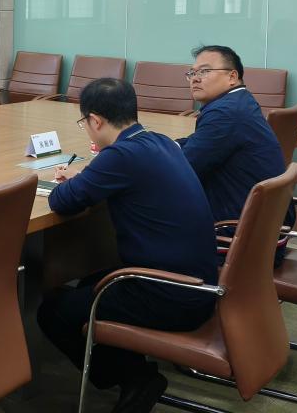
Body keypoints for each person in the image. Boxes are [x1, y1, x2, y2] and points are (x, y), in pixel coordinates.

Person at [37, 78, 218, 413]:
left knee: (53, 311)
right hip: (199, 282)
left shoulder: (120, 156)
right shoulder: (159, 141)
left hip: (171, 294)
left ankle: (135, 379)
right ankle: (130, 367)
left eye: (84, 123)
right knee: (91, 282)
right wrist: (90, 177)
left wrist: (72, 180)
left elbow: (63, 201)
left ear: (95, 120)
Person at [177, 44, 294, 242]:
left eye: (204, 71)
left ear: (232, 77)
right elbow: (199, 143)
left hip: (239, 236)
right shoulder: (239, 101)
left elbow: (183, 169)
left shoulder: (225, 112)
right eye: (192, 73)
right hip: (263, 227)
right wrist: (166, 145)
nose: (195, 78)